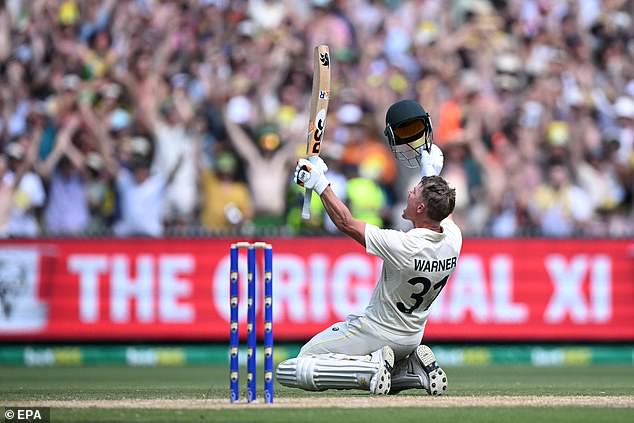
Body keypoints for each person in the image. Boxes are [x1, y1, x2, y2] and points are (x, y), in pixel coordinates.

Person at [277, 100, 461, 396]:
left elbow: (347, 223)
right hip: (412, 336)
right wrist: (430, 173)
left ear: (421, 206)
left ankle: (370, 369)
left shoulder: (404, 245)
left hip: (376, 332)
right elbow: (442, 209)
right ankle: (411, 372)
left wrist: (320, 183)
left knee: (298, 365)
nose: (409, 193)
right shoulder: (453, 238)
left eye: (414, 193)